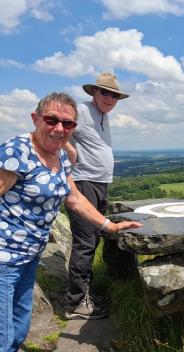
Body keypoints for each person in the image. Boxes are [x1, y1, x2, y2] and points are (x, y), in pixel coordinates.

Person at [0, 92, 142, 352]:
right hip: (4, 260)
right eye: (51, 119)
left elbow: (74, 198)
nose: (59, 128)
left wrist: (108, 226)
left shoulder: (61, 157)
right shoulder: (17, 150)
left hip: (29, 257)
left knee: (19, 328)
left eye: (67, 124)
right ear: (35, 119)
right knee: (3, 336)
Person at [63, 73, 130, 320]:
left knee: (93, 239)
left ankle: (83, 293)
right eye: (105, 92)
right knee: (85, 242)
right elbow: (58, 129)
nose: (110, 98)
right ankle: (76, 303)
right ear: (94, 92)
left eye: (114, 95)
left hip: (98, 184)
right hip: (83, 183)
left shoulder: (102, 115)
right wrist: (69, 149)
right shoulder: (81, 110)